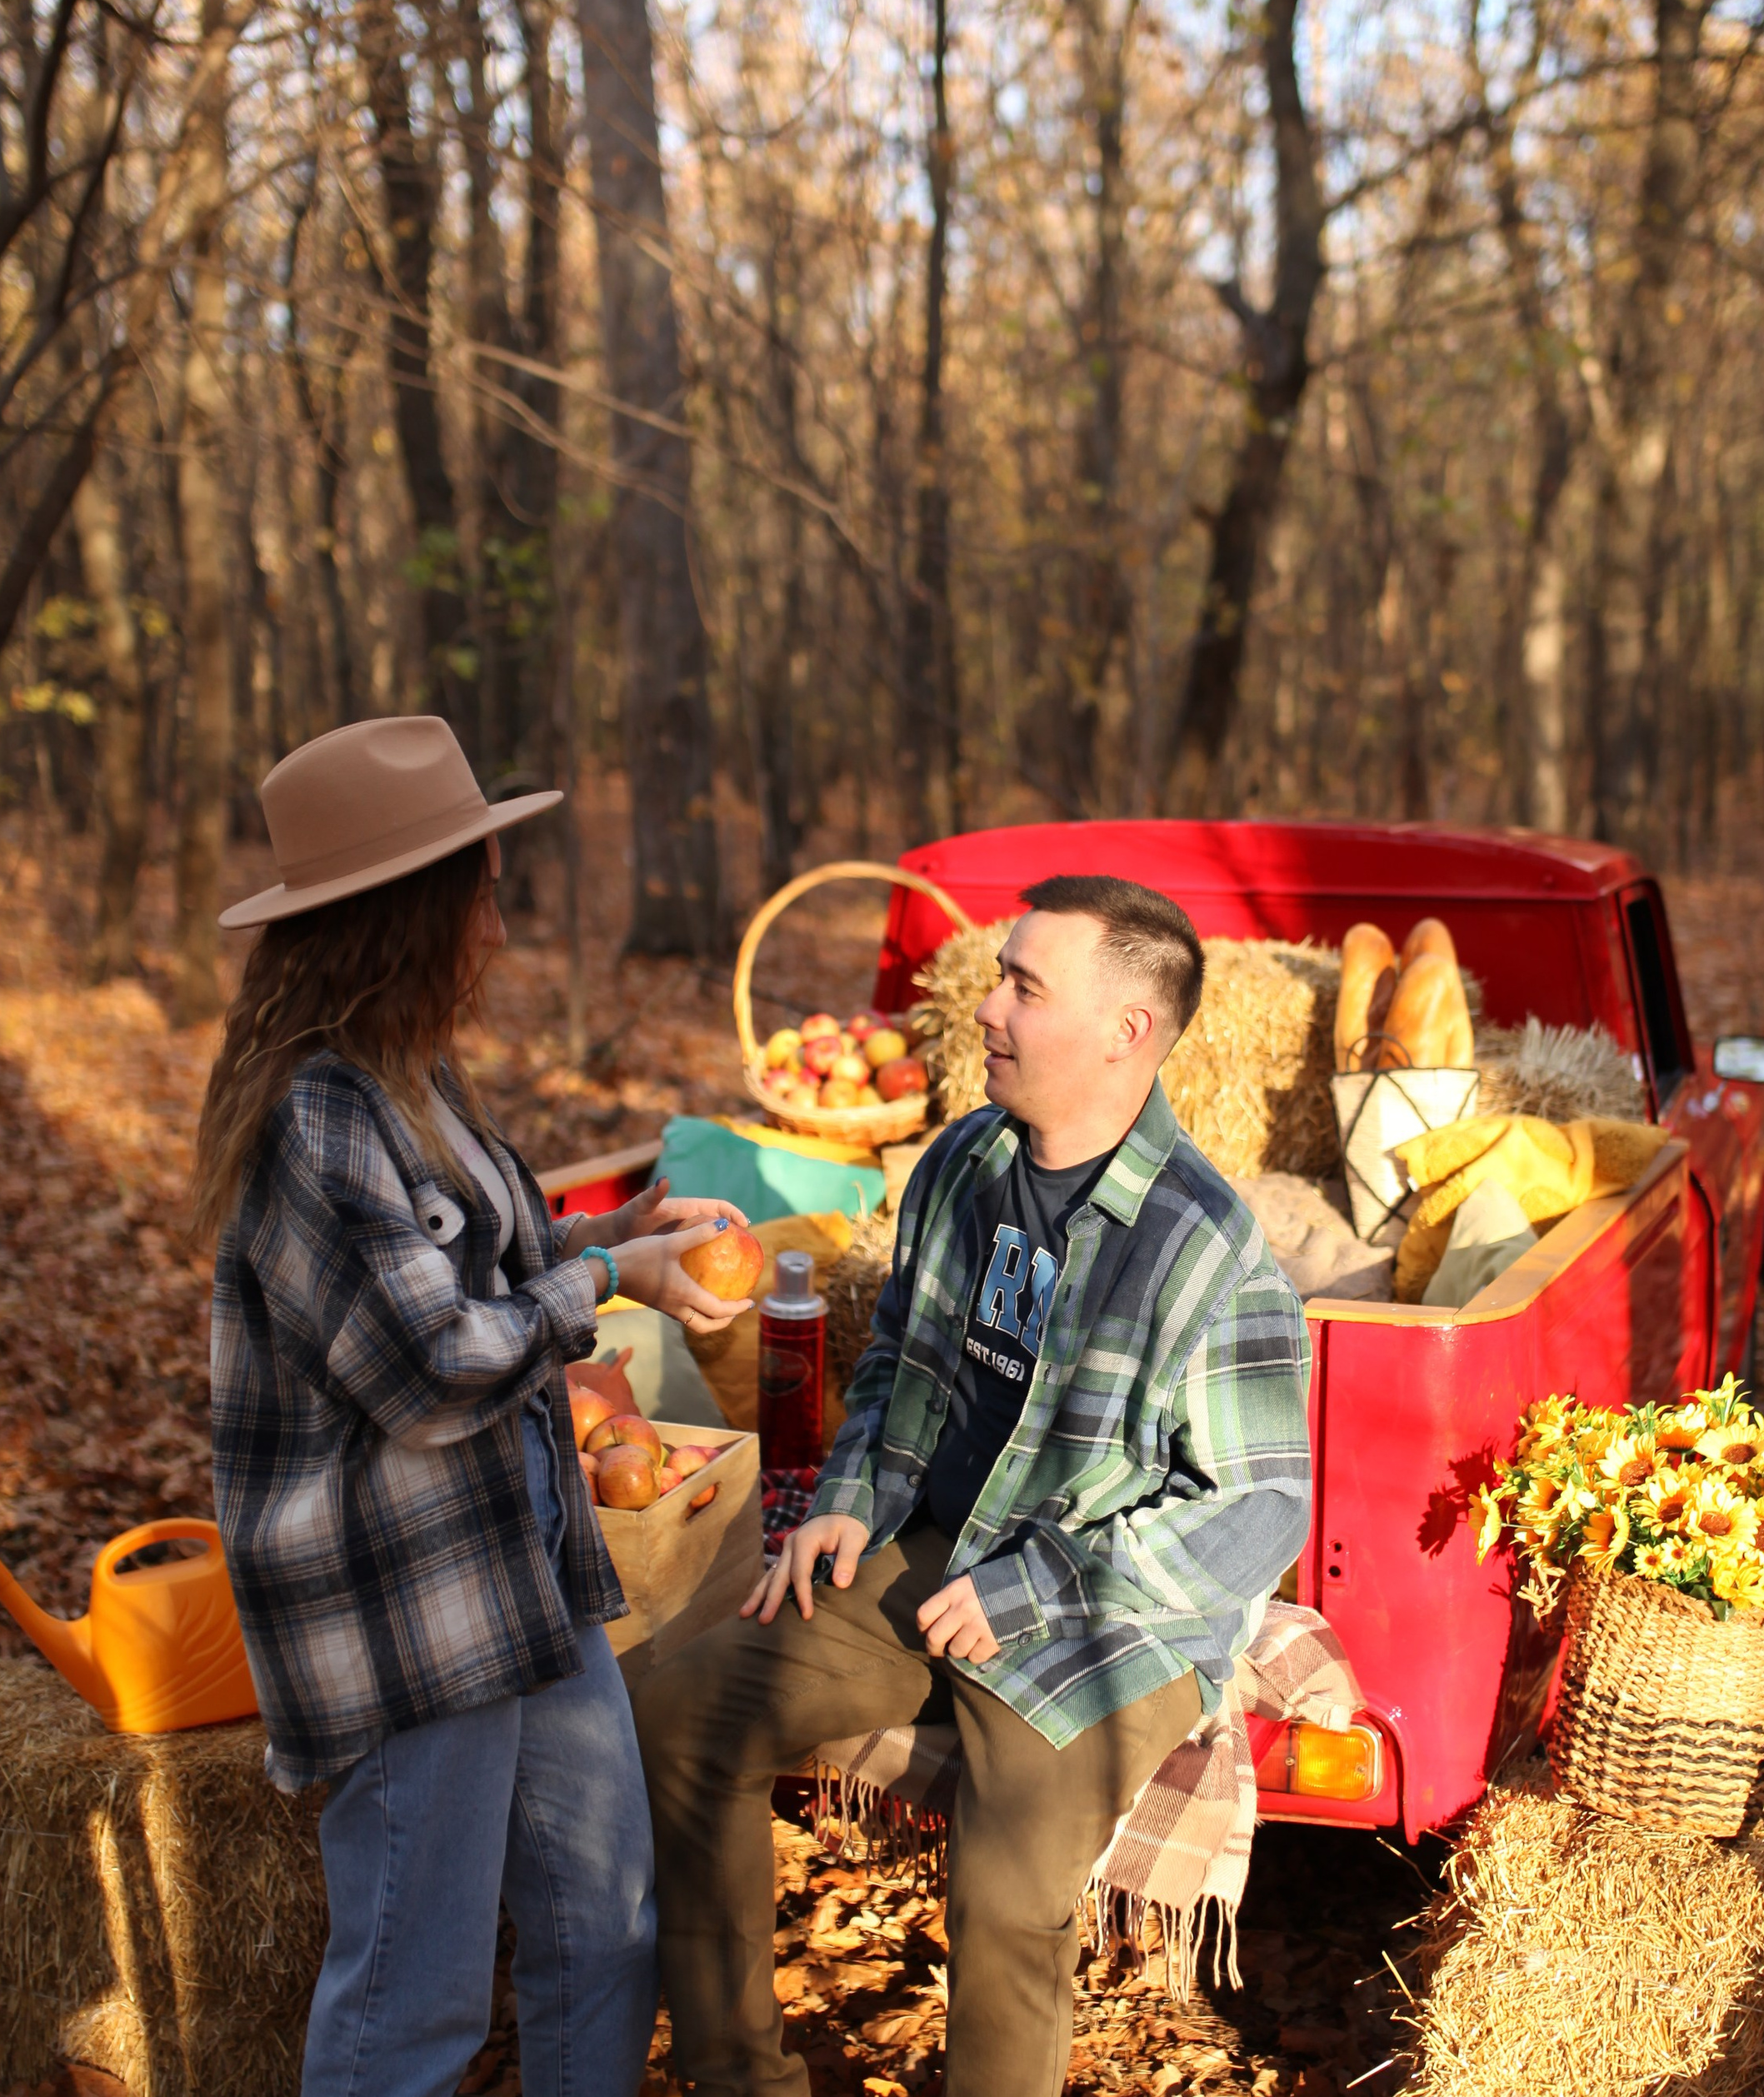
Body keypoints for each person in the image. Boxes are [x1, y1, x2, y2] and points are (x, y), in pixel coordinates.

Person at [633, 873, 1312, 2097]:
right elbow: (901, 1356)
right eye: (997, 976)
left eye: (1022, 986)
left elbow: (1259, 1509)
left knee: (1006, 1898)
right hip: (939, 1538)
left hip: (1103, 1608)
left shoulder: (1207, 1249)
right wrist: (851, 1488)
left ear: (1126, 1032)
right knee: (678, 1717)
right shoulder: (962, 1164)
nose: (985, 1008)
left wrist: (1041, 1585)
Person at [193, 715, 756, 2097]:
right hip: (403, 1617)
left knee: (606, 1924)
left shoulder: (415, 1076)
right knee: (413, 1995)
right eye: (486, 892)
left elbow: (479, 1270)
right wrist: (616, 1278)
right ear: (409, 917)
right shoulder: (315, 1121)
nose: (501, 927)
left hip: (515, 1579)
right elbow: (430, 1367)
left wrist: (616, 1229)